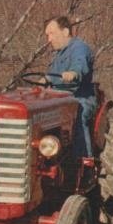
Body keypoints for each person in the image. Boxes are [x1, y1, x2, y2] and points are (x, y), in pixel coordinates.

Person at [41, 16, 97, 161]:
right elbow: (51, 75)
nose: (48, 39)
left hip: (79, 96)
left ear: (65, 32)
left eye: (51, 34)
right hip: (58, 98)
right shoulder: (59, 54)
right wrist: (42, 80)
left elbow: (80, 65)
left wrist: (73, 73)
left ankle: (83, 160)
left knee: (77, 114)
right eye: (47, 35)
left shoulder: (79, 48)